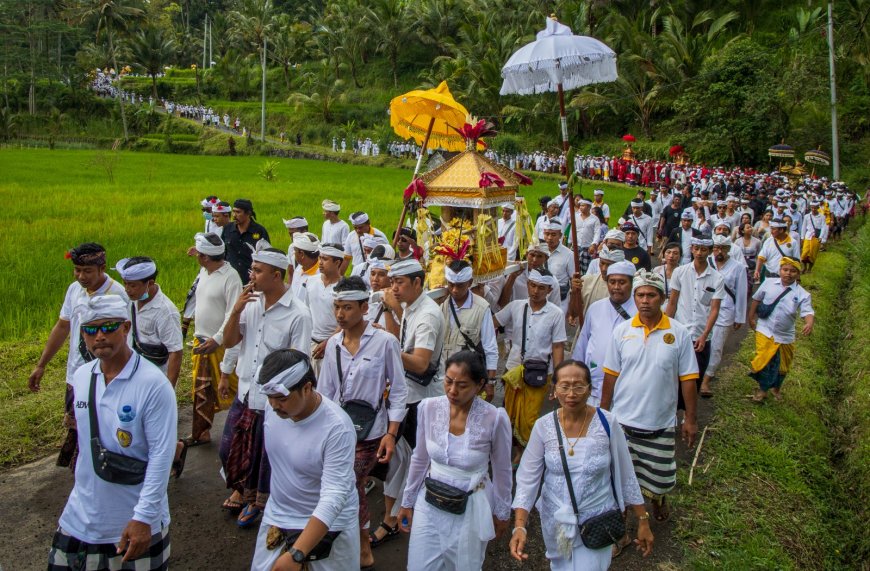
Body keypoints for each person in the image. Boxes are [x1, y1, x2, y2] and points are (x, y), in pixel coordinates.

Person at [47, 296, 176, 571]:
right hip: (79, 519)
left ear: (126, 328)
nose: (100, 336)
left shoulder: (153, 385)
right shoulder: (82, 378)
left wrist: (144, 517)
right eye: (91, 329)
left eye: (109, 327)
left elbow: (161, 456)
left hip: (134, 521)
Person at [511, 360, 652, 569]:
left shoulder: (607, 422)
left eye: (578, 386)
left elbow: (626, 474)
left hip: (597, 521)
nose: (571, 393)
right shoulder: (543, 427)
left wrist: (642, 519)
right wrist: (520, 526)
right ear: (554, 390)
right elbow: (527, 478)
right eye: (564, 386)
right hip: (555, 522)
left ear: (589, 389)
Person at [318, 277, 407, 570]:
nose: (340, 314)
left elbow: (398, 390)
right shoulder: (332, 345)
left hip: (373, 431)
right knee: (342, 485)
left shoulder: (385, 342)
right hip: (340, 429)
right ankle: (346, 539)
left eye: (347, 308)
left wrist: (391, 434)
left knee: (350, 482)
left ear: (364, 307)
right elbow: (326, 392)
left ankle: (363, 543)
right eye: (337, 308)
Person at [221, 246, 313, 527]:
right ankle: (240, 490)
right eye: (252, 269)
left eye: (258, 271)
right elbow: (229, 341)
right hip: (245, 391)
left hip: (272, 399)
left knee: (263, 457)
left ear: (276, 275)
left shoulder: (298, 313)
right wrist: (236, 310)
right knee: (229, 449)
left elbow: (299, 364)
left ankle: (256, 502)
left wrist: (286, 402)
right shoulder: (249, 304)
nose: (251, 276)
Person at [398, 351, 512, 570]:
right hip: (430, 501)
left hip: (470, 506)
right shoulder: (428, 408)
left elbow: (502, 470)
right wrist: (407, 501)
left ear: (479, 385)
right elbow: (420, 458)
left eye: (462, 385)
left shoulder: (494, 418)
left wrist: (502, 512)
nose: (452, 390)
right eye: (448, 382)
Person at [602, 270, 699, 523]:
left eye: (651, 295)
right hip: (623, 420)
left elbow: (688, 379)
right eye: (640, 295)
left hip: (660, 421)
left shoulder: (679, 334)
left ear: (662, 298)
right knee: (619, 479)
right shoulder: (622, 331)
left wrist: (690, 419)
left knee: (658, 476)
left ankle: (658, 499)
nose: (645, 300)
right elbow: (610, 375)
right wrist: (602, 415)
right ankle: (620, 531)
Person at [250, 349, 360, 571]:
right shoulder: (275, 409)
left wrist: (297, 554)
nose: (273, 405)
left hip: (328, 526)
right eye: (269, 398)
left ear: (307, 388)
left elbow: (334, 496)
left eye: (281, 398)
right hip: (279, 515)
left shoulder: (337, 428)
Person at [29, 242, 129, 469]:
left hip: (108, 375)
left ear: (102, 268)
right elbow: (63, 327)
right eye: (77, 270)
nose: (81, 276)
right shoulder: (74, 290)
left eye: (87, 271)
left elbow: (126, 340)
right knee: (79, 424)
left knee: (105, 426)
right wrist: (41, 364)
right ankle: (85, 470)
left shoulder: (118, 294)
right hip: (77, 373)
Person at [373, 259, 445, 545]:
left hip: (421, 401)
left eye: (399, 283)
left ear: (418, 283)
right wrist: (391, 310)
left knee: (415, 460)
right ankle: (395, 513)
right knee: (401, 459)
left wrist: (385, 346)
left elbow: (419, 362)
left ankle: (406, 515)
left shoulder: (427, 314)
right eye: (392, 283)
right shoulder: (410, 308)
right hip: (407, 396)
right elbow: (398, 339)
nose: (394, 288)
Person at [494, 268, 567, 459]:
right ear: (527, 285)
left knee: (528, 418)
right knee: (509, 412)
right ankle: (507, 448)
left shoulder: (555, 314)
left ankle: (523, 453)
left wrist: (558, 379)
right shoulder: (516, 306)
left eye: (541, 288)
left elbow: (558, 346)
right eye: (533, 286)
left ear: (549, 290)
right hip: (514, 369)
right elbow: (492, 322)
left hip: (541, 371)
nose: (535, 291)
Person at [189, 233, 241, 448]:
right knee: (201, 390)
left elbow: (233, 313)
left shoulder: (231, 277)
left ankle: (246, 428)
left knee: (235, 388)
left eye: (199, 254)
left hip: (220, 344)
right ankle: (202, 432)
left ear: (205, 257)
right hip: (200, 340)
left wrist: (218, 338)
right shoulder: (204, 271)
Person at [748, 257, 814, 403]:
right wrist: (751, 316)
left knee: (782, 366)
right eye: (785, 270)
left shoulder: (802, 294)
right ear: (780, 270)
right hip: (765, 330)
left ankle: (776, 388)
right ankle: (762, 391)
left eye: (792, 271)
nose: (788, 274)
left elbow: (807, 312)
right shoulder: (769, 283)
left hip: (785, 336)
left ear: (798, 273)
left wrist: (809, 323)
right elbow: (757, 299)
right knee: (766, 360)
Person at [666, 234, 724, 400]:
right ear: (691, 249)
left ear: (710, 251)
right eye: (696, 248)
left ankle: (687, 413)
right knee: (673, 373)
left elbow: (714, 309)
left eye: (703, 249)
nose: (699, 253)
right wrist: (665, 326)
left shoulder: (717, 278)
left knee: (695, 375)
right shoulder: (680, 272)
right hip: (679, 331)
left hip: (700, 334)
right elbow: (672, 302)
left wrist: (705, 334)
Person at [572, 260, 638, 406]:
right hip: (593, 388)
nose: (616, 287)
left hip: (627, 392)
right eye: (612, 282)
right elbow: (582, 345)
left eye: (622, 282)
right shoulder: (595, 308)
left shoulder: (640, 312)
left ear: (632, 284)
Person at [440, 260, 499, 400]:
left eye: (459, 286)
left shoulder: (482, 308)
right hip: (443, 376)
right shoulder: (441, 305)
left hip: (467, 378)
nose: (454, 290)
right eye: (451, 284)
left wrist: (490, 382)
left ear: (470, 282)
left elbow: (490, 348)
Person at [700, 235, 747, 397]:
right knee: (700, 341)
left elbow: (741, 293)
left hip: (726, 310)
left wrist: (740, 317)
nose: (719, 251)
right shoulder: (707, 263)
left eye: (723, 248)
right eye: (716, 248)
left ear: (728, 250)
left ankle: (706, 379)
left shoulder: (738, 267)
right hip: (705, 308)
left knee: (717, 345)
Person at [306, 243, 345, 375]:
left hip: (335, 346)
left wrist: (327, 342)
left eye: (325, 259)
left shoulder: (344, 288)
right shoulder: (311, 281)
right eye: (320, 258)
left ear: (337, 262)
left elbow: (346, 322)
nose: (320, 263)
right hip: (311, 344)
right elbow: (306, 312)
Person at [223, 199, 270, 284]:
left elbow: (267, 257)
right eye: (233, 212)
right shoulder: (227, 229)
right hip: (229, 279)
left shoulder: (259, 231)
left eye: (238, 212)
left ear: (248, 213)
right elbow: (222, 251)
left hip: (251, 280)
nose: (234, 215)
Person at [570, 199, 601, 274]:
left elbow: (597, 233)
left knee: (586, 270)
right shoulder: (575, 217)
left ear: (589, 207)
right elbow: (572, 230)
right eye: (580, 205)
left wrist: (593, 244)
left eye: (583, 205)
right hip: (575, 247)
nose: (580, 207)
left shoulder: (595, 219)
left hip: (587, 248)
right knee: (573, 269)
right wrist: (570, 242)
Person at [289, 232, 321, 297]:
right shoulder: (300, 268)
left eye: (295, 250)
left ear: (302, 254)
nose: (293, 253)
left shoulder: (320, 276)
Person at [800, 201, 828, 273]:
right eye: (812, 208)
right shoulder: (807, 216)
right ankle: (804, 267)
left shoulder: (822, 216)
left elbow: (823, 227)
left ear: (818, 208)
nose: (813, 209)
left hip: (816, 237)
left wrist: (821, 237)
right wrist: (802, 237)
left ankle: (809, 269)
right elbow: (804, 227)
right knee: (804, 253)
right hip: (808, 236)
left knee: (813, 254)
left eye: (815, 208)